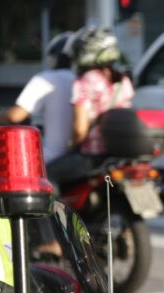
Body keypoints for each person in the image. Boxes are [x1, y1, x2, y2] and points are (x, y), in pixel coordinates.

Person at [47, 26, 134, 185]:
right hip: (119, 155)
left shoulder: (85, 81)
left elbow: (80, 130)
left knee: (48, 176)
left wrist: (70, 146)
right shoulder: (123, 80)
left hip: (93, 155)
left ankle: (62, 211)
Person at [0, 32, 74, 164]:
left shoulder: (46, 78)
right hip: (78, 159)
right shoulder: (85, 81)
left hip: (49, 159)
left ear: (55, 57)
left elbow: (15, 115)